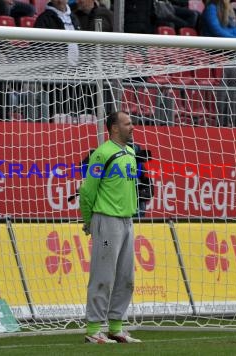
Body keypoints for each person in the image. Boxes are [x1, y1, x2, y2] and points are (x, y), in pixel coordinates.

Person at [79, 111, 142, 344]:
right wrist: (88, 221)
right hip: (106, 223)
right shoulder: (101, 154)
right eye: (127, 123)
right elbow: (87, 191)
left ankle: (116, 327)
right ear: (114, 128)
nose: (132, 126)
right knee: (103, 274)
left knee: (126, 277)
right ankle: (94, 329)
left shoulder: (131, 152)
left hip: (127, 222)